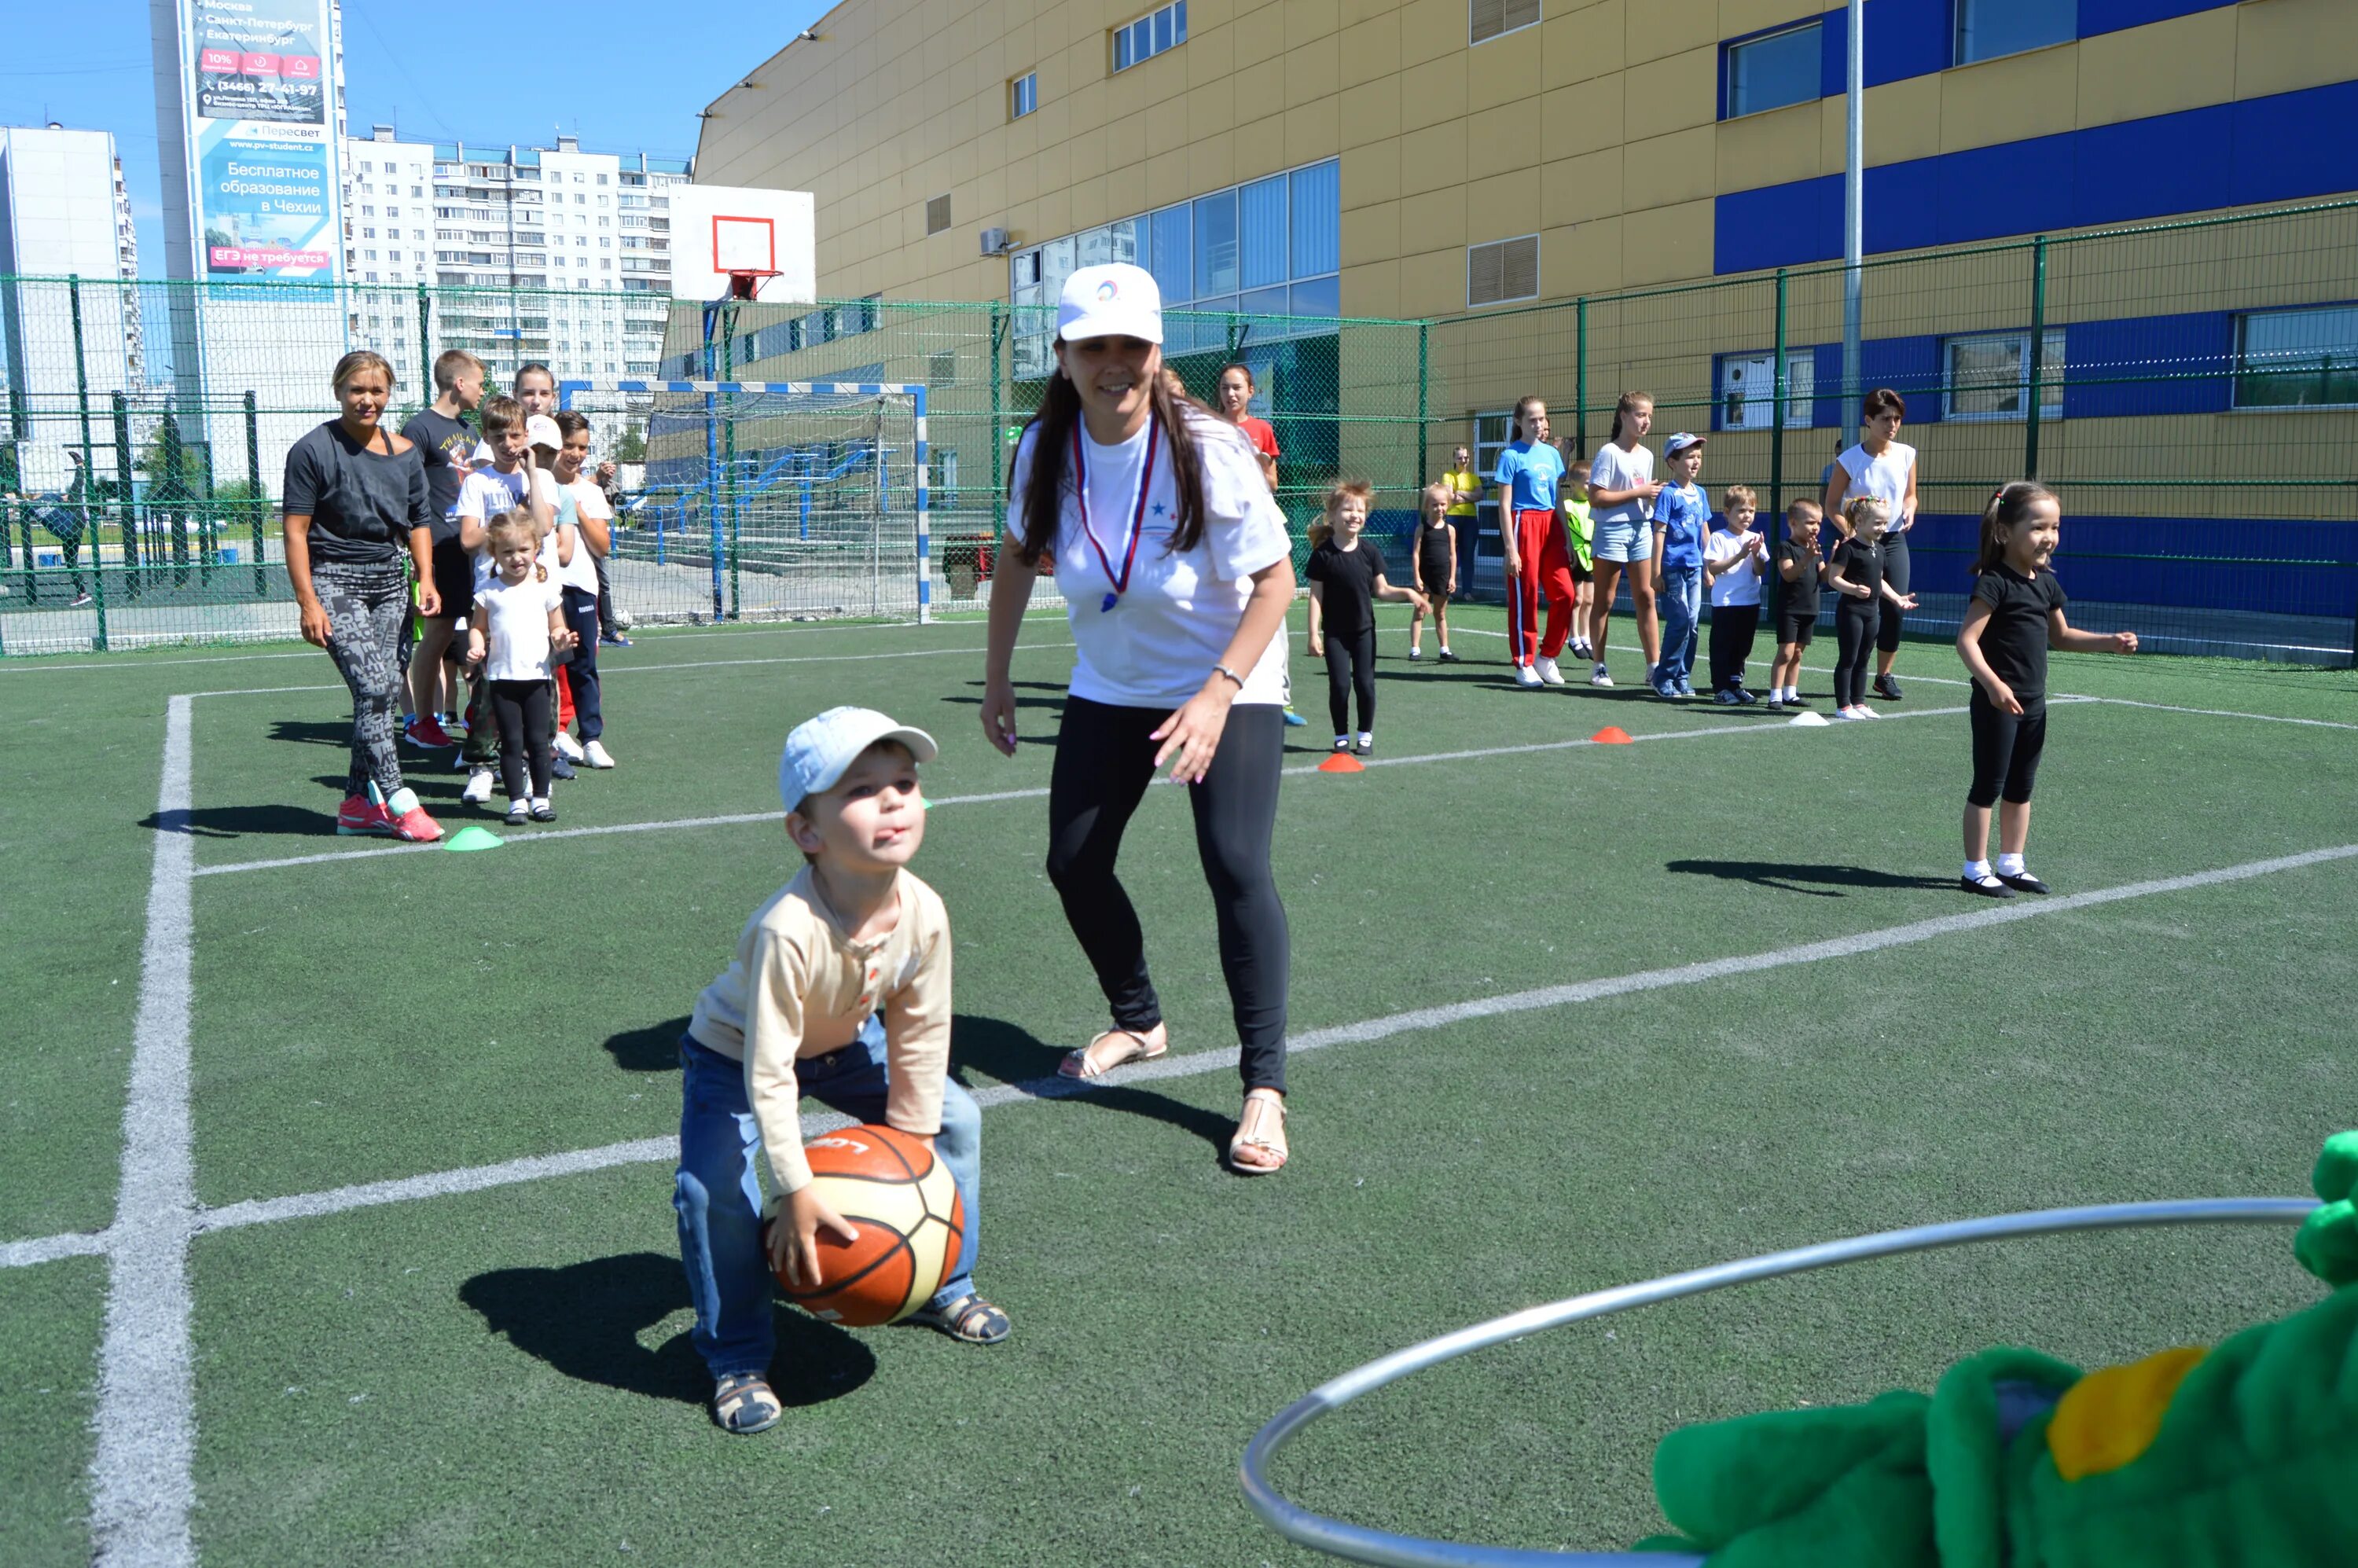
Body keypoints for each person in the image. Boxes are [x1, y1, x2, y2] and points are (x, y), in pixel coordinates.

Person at [979, 261, 1297, 1176]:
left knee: (1235, 863)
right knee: (1074, 862)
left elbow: (1277, 583)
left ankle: (1264, 1089)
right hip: (1113, 683)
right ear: (1066, 355)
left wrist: (1217, 693)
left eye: (1131, 346)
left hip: (1230, 675)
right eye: (1093, 346)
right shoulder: (1044, 447)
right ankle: (1139, 1019)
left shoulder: (1210, 447)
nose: (1112, 362)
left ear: (1157, 355)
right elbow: (1014, 557)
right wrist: (997, 676)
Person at [675, 707, 1009, 1436]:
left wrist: (914, 1147)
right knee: (710, 1191)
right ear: (807, 831)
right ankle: (736, 1355)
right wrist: (794, 1189)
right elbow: (768, 1072)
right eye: (862, 790)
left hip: (844, 1040)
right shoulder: (785, 929)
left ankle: (944, 1280)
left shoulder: (924, 909)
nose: (893, 800)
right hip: (736, 1051)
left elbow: (922, 1029)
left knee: (957, 1117)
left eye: (905, 781)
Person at [281, 351, 443, 842]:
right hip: (335, 580)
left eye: (377, 390)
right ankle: (399, 800)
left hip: (391, 584)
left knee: (381, 695)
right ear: (338, 391)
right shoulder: (312, 450)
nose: (367, 399)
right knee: (374, 688)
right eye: (357, 390)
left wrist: (426, 578)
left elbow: (419, 521)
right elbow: (294, 532)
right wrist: (308, 602)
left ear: (389, 393)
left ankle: (355, 806)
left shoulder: (406, 454)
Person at [1954, 482, 2137, 898]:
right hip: (1997, 701)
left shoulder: (2046, 583)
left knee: (2022, 784)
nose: (2049, 537)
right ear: (2004, 532)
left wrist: (2109, 642)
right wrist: (1994, 685)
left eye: (2055, 527)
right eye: (2039, 527)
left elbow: (2063, 636)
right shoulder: (1994, 582)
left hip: (2033, 702)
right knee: (1989, 785)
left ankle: (2012, 863)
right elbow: (1966, 640)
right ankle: (1974, 868)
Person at [452, 398, 556, 805]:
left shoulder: (538, 478)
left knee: (535, 683)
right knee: (486, 687)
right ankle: (480, 764)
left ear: (526, 436)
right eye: (499, 437)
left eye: (515, 435)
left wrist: (531, 472)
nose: (508, 444)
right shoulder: (478, 482)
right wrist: (506, 529)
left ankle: (532, 765)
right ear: (488, 439)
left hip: (531, 598)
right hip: (492, 598)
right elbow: (467, 540)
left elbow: (544, 528)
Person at [399, 349, 489, 748]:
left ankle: (479, 715)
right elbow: (404, 489)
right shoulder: (418, 428)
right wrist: (419, 554)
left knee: (481, 632)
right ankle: (422, 721)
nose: (483, 392)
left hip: (474, 547)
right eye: (480, 383)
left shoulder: (472, 430)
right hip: (440, 547)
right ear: (460, 383)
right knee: (435, 636)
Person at [1207, 361, 1304, 729]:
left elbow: (1273, 484)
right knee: (1224, 609)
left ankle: (1281, 700)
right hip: (1221, 530)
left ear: (1251, 392)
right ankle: (1219, 692)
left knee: (1272, 613)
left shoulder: (1262, 429)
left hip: (1260, 528)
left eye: (1237, 387)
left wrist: (1259, 466)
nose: (1230, 394)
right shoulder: (1211, 428)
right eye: (1224, 387)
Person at [465, 511, 576, 824]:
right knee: (512, 743)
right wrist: (476, 646)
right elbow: (478, 627)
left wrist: (562, 640)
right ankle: (516, 803)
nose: (516, 558)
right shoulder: (488, 592)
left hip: (538, 679)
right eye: (507, 552)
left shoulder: (546, 590)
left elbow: (557, 628)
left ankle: (540, 799)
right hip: (502, 680)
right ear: (494, 554)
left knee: (539, 743)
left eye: (523, 550)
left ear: (536, 548)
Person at [1307, 480, 1427, 755]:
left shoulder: (1370, 552)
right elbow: (1316, 597)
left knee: (1365, 684)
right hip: (1335, 633)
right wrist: (1314, 633)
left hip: (1364, 632)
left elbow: (1382, 590)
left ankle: (1364, 735)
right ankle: (1340, 736)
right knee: (1339, 685)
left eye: (1360, 511)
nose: (1355, 515)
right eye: (1348, 509)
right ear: (1333, 514)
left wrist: (1409, 593)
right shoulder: (1322, 555)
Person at [1822, 389, 1920, 702]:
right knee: (1862, 604)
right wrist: (1852, 535)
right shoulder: (1849, 459)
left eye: (1897, 419)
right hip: (1862, 543)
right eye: (1885, 419)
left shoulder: (1907, 454)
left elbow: (1910, 494)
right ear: (1868, 420)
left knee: (1896, 605)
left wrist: (1910, 507)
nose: (1892, 424)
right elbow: (1832, 505)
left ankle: (1884, 676)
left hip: (1894, 540)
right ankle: (1852, 673)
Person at [1493, 395, 1575, 689]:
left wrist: (1566, 538)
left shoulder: (1552, 455)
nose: (1538, 424)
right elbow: (1504, 505)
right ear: (1519, 422)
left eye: (1541, 418)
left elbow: (1557, 498)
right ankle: (1525, 662)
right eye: (1532, 419)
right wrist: (1510, 549)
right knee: (1525, 596)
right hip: (1523, 523)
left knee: (1565, 593)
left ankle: (1547, 656)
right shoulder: (1510, 456)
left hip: (1551, 523)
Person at [549, 409, 616, 768]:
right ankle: (552, 734)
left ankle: (590, 739)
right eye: (568, 446)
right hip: (547, 588)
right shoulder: (540, 483)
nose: (576, 454)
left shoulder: (589, 492)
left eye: (583, 447)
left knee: (584, 666)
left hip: (581, 588)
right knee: (550, 666)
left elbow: (602, 546)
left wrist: (574, 507)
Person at [1586, 391, 1662, 688]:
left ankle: (1654, 667)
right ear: (1624, 417)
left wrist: (1656, 493)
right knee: (1605, 599)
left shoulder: (1648, 455)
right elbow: (1596, 497)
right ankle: (1598, 666)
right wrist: (1640, 493)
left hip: (1641, 529)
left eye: (1649, 417)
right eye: (1640, 415)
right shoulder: (1609, 453)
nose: (1646, 422)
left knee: (1646, 596)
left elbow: (1642, 492)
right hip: (1611, 531)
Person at [1827, 497, 1917, 720]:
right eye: (1877, 523)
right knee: (1848, 658)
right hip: (1852, 612)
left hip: (1871, 613)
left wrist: (1897, 599)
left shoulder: (1879, 549)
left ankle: (1859, 703)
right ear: (1859, 520)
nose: (1882, 528)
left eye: (1885, 523)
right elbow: (1833, 579)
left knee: (1864, 659)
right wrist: (1853, 589)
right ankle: (1843, 706)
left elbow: (1879, 580)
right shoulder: (1848, 548)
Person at [1647, 433, 1710, 700]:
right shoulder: (1668, 495)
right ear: (1672, 462)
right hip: (1672, 568)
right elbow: (1659, 533)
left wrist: (1709, 566)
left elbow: (1704, 530)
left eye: (1698, 457)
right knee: (1680, 622)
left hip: (1695, 568)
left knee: (1693, 623)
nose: (1695, 462)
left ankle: (1683, 675)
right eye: (1689, 457)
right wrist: (1655, 572)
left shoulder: (1701, 494)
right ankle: (1663, 677)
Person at [1703, 483, 1767, 705]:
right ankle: (1721, 688)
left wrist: (1757, 554)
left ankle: (1735, 685)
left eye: (1750, 511)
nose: (1746, 515)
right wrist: (1741, 554)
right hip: (1726, 603)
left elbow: (1760, 571)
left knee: (1743, 646)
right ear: (1727, 513)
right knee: (1723, 645)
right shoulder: (1719, 538)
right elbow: (1713, 567)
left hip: (1750, 602)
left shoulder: (1755, 538)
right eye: (1740, 511)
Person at [1767, 499, 1824, 711]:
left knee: (1798, 653)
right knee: (1786, 653)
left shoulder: (1816, 549)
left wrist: (1837, 558)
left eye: (1819, 523)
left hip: (1810, 608)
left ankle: (1791, 693)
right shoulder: (1786, 547)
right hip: (1790, 609)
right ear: (1793, 522)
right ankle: (1775, 695)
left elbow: (1825, 575)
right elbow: (1789, 574)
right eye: (1811, 522)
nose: (1816, 527)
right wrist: (1807, 558)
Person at [1407, 481, 1458, 662]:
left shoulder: (1450, 530)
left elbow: (1452, 555)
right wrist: (1417, 577)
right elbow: (1416, 554)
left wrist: (1452, 578)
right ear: (1427, 507)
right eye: (1434, 504)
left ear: (1448, 505)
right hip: (1425, 578)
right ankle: (1415, 649)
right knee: (1419, 612)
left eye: (1443, 504)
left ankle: (1444, 649)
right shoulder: (1421, 529)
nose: (1439, 508)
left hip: (1442, 578)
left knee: (1440, 614)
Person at [1557, 434, 1596, 662]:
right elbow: (1558, 484)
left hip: (1591, 557)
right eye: (1586, 482)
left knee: (1590, 600)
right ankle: (1573, 637)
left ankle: (1586, 635)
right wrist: (1566, 453)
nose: (1590, 486)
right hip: (1575, 557)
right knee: (1577, 598)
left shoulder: (1594, 504)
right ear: (1573, 485)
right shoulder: (1568, 505)